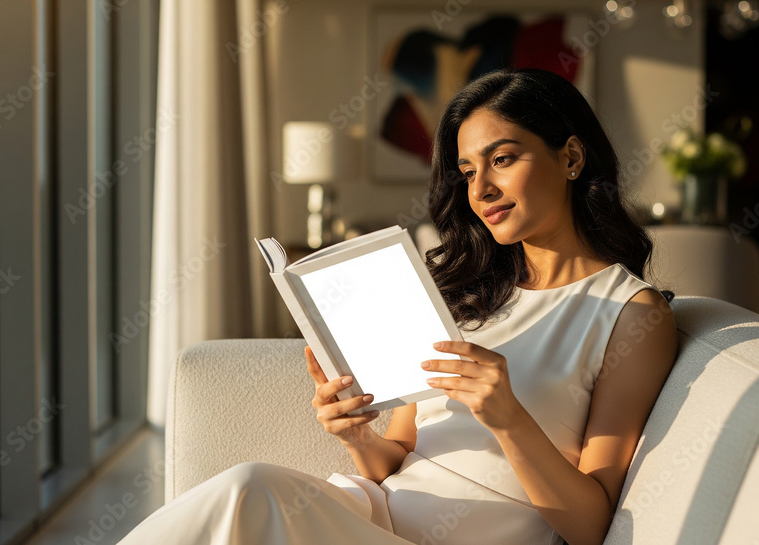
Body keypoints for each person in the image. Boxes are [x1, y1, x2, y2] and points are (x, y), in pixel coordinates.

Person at [119, 68, 678, 545]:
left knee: (248, 490)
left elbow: (592, 524)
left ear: (572, 157)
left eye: (501, 159)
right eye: (466, 172)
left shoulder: (632, 314)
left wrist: (509, 418)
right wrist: (357, 435)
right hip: (376, 517)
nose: (480, 189)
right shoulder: (470, 295)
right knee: (244, 493)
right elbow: (400, 457)